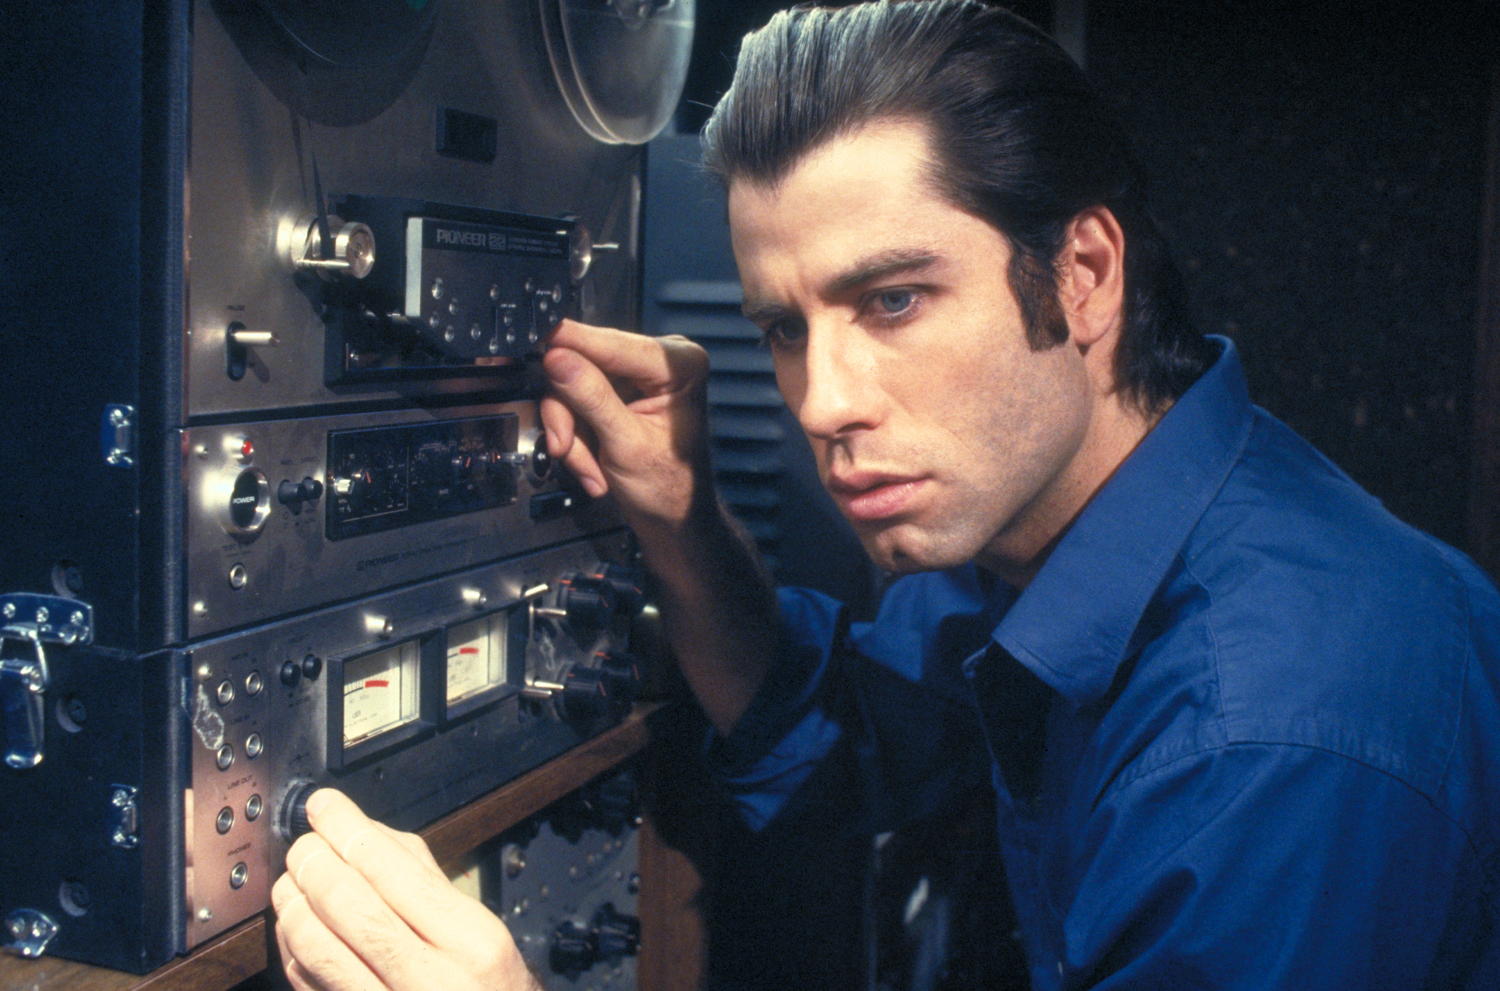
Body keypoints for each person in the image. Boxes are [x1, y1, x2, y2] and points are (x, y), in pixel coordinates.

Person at [271, 2, 1500, 988]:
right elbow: (844, 736)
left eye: (894, 301)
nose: (821, 401)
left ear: (1082, 276)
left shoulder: (1272, 739)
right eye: (785, 328)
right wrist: (685, 521)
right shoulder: (1039, 523)